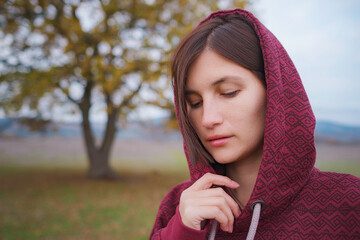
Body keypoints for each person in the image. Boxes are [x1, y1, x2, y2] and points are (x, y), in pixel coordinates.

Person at [150, 8, 360, 240]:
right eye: (195, 102)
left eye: (229, 93)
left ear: (275, 91)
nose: (208, 119)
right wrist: (182, 232)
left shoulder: (348, 203)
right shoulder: (177, 207)